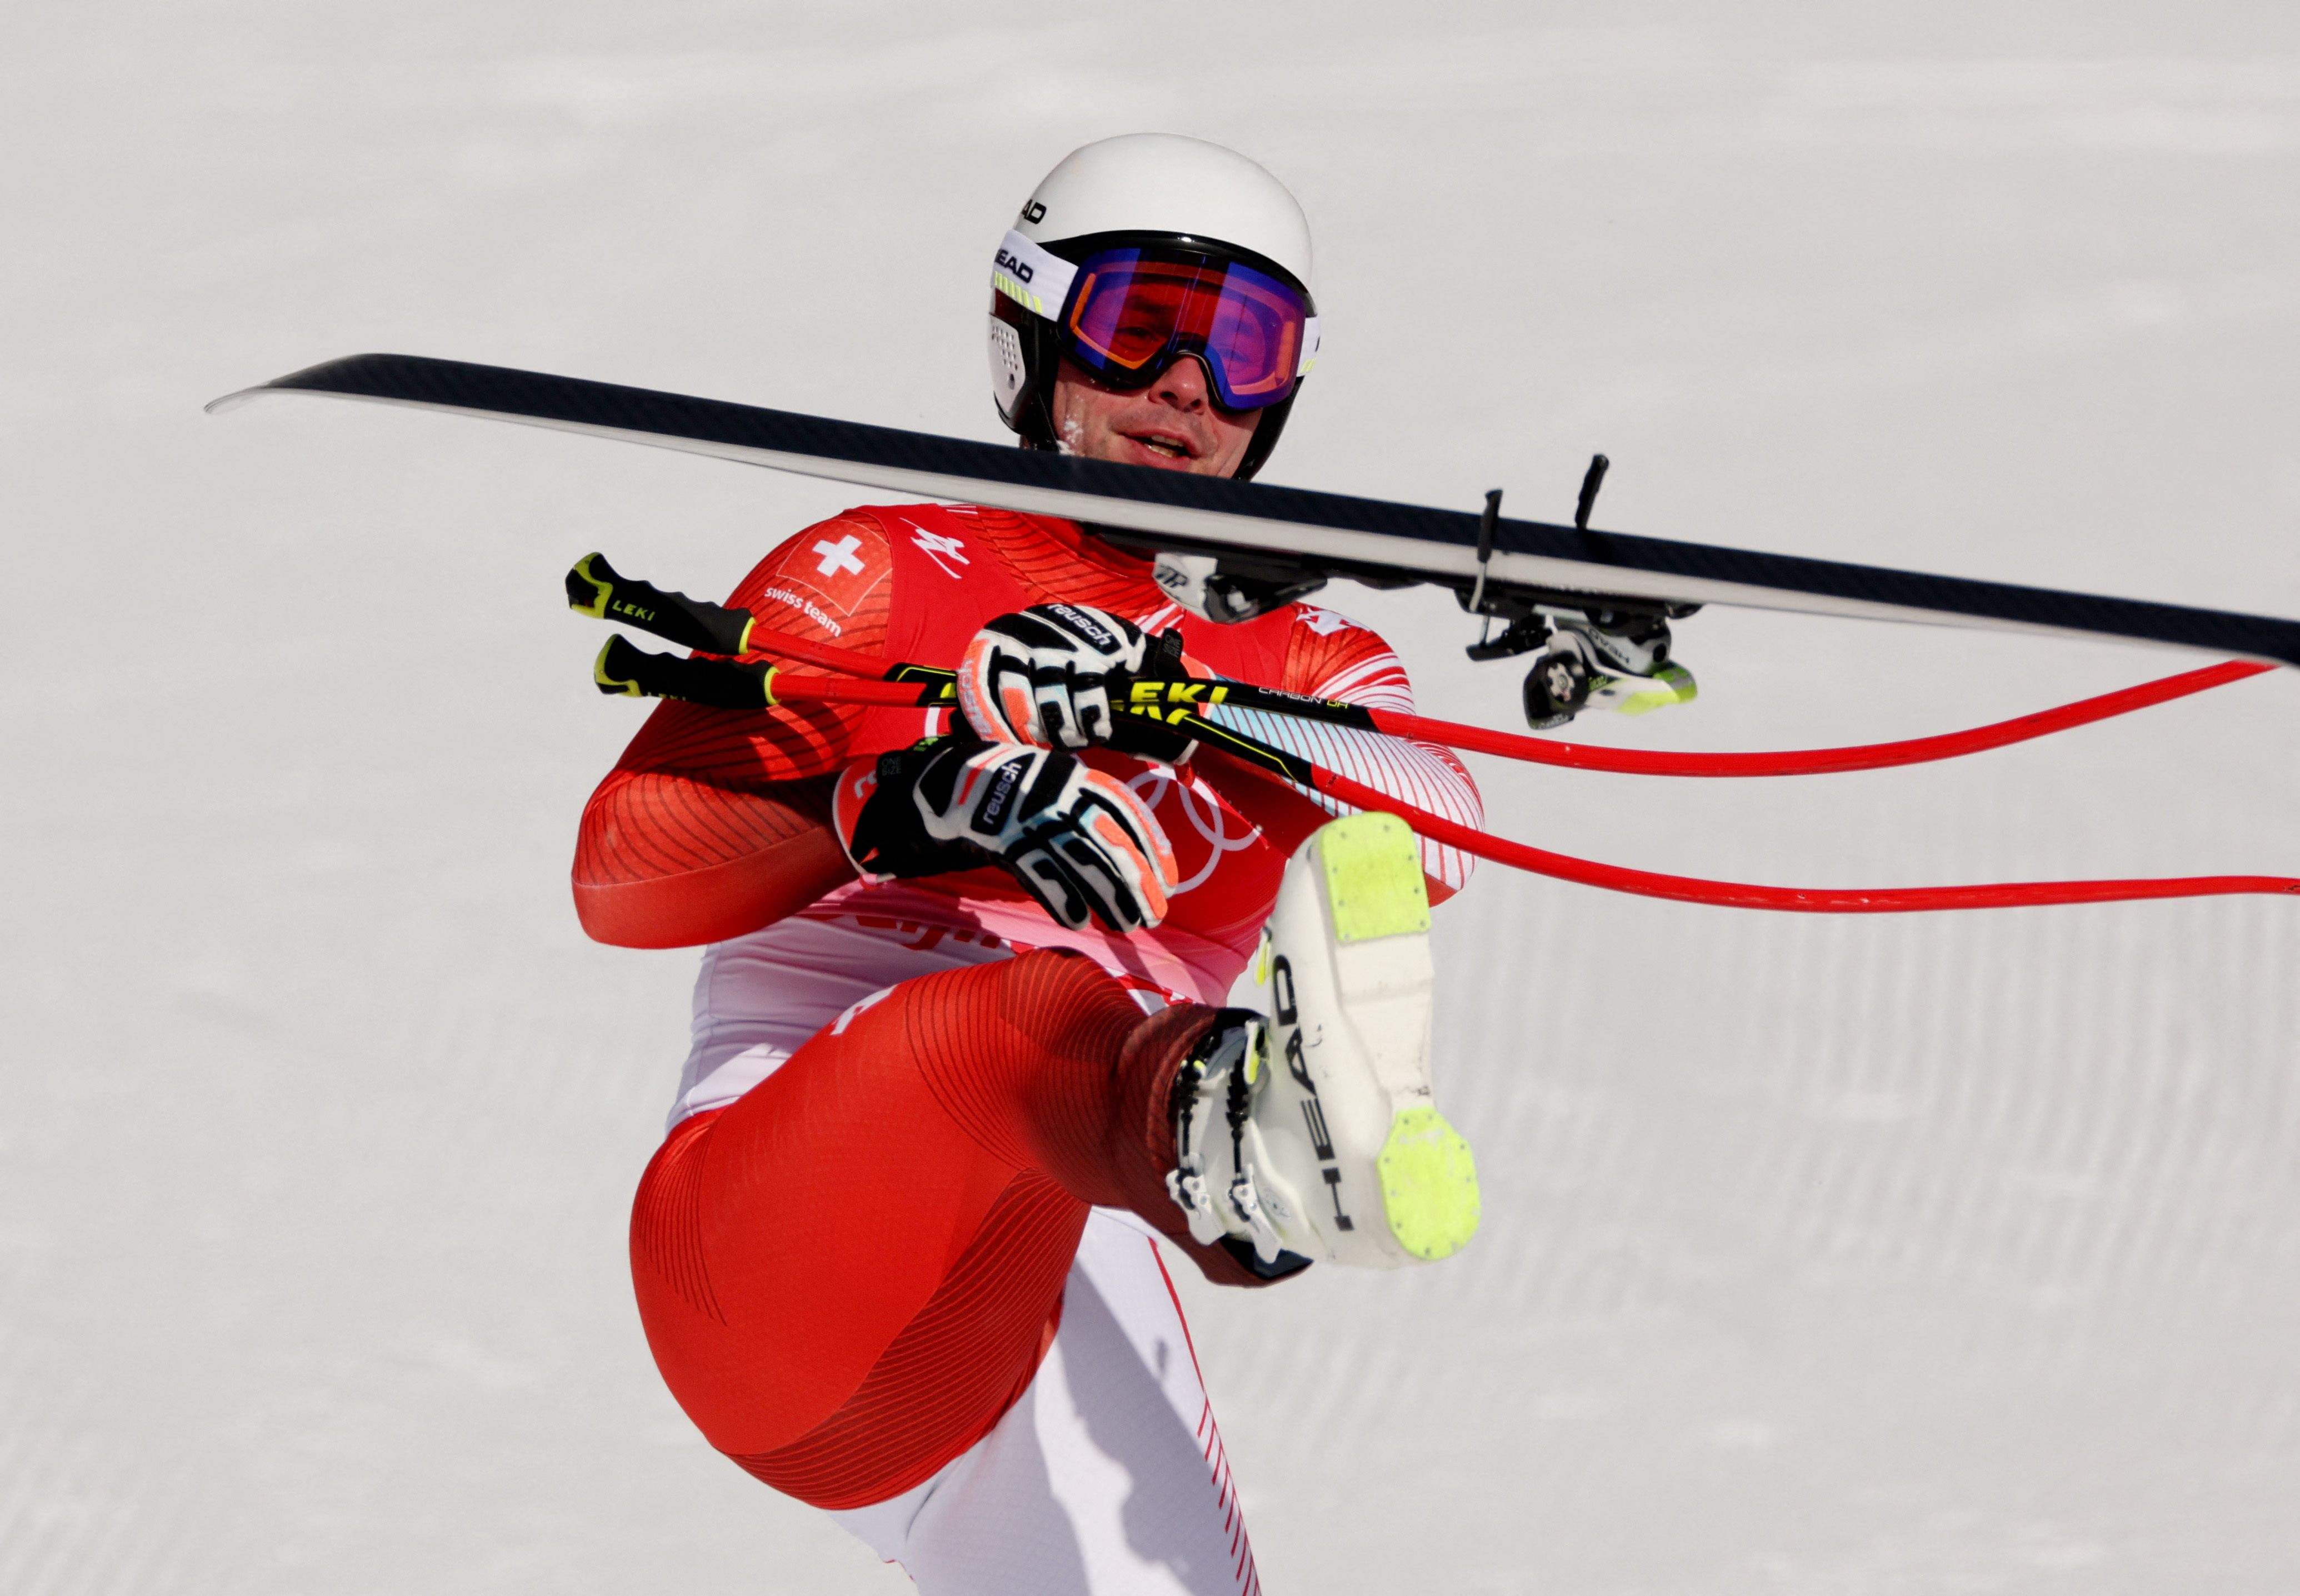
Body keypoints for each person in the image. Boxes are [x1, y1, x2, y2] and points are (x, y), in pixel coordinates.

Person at [576, 133, 1486, 1595]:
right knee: (1020, 1015)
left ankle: (1231, 1133)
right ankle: (1230, 1137)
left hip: (1043, 1281)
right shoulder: (887, 565)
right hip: (783, 1250)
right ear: (1033, 339)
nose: (1188, 387)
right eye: (1141, 327)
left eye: (1244, 350)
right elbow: (620, 872)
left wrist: (1192, 691)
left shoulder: (1305, 654)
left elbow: (1438, 833)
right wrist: (910, 789)